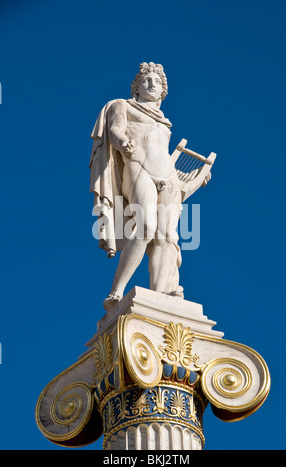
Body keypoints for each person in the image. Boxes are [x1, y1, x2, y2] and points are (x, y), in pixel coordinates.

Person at [90, 62, 185, 305]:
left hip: (168, 176)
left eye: (158, 82)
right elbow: (114, 130)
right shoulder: (123, 105)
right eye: (146, 80)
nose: (152, 84)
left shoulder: (165, 121)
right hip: (138, 167)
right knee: (145, 226)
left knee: (166, 237)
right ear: (136, 86)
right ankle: (117, 292)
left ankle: (162, 293)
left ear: (163, 92)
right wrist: (122, 142)